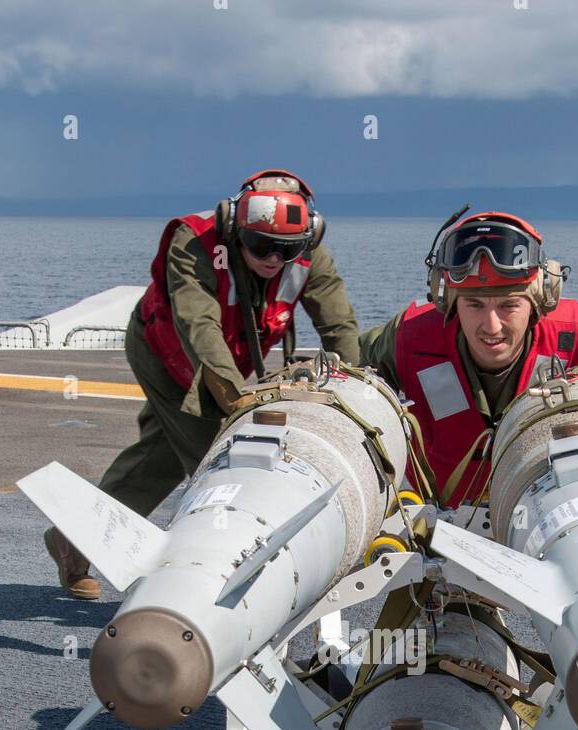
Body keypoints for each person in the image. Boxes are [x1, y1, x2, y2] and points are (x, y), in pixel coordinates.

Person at [45, 169, 361, 598]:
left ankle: (73, 536)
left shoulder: (309, 256)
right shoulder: (192, 242)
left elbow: (338, 324)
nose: (273, 259)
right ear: (235, 228)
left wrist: (351, 394)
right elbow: (200, 326)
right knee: (221, 461)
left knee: (159, 458)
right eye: (260, 245)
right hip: (166, 352)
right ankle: (211, 587)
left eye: (287, 249)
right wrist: (237, 400)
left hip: (226, 358)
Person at [360, 208, 578, 508]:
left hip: (549, 514)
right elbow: (350, 388)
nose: (492, 326)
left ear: (540, 300)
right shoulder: (407, 337)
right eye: (474, 304)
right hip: (439, 523)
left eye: (508, 305)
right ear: (449, 302)